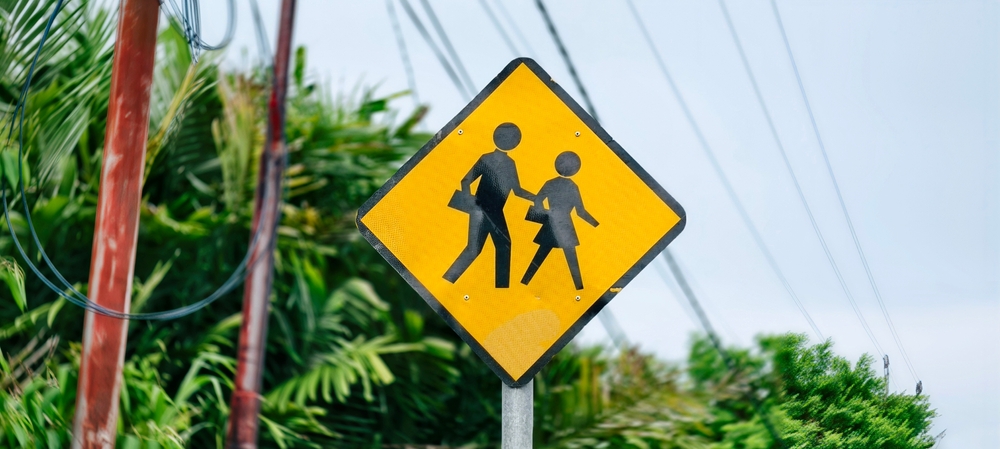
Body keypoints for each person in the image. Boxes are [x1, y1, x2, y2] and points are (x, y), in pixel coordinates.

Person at [444, 123, 535, 288]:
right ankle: (449, 281)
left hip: (489, 211)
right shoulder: (493, 160)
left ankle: (499, 288)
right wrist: (469, 201)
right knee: (483, 249)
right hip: (483, 210)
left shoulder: (503, 162)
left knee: (492, 247)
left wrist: (535, 198)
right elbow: (466, 180)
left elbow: (516, 190)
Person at [520, 151, 598, 290]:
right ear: (575, 169)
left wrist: (545, 213)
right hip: (565, 225)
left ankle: (525, 281)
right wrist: (595, 224)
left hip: (551, 222)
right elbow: (580, 212)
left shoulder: (550, 183)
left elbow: (537, 200)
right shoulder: (572, 187)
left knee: (541, 254)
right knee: (571, 257)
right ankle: (579, 287)